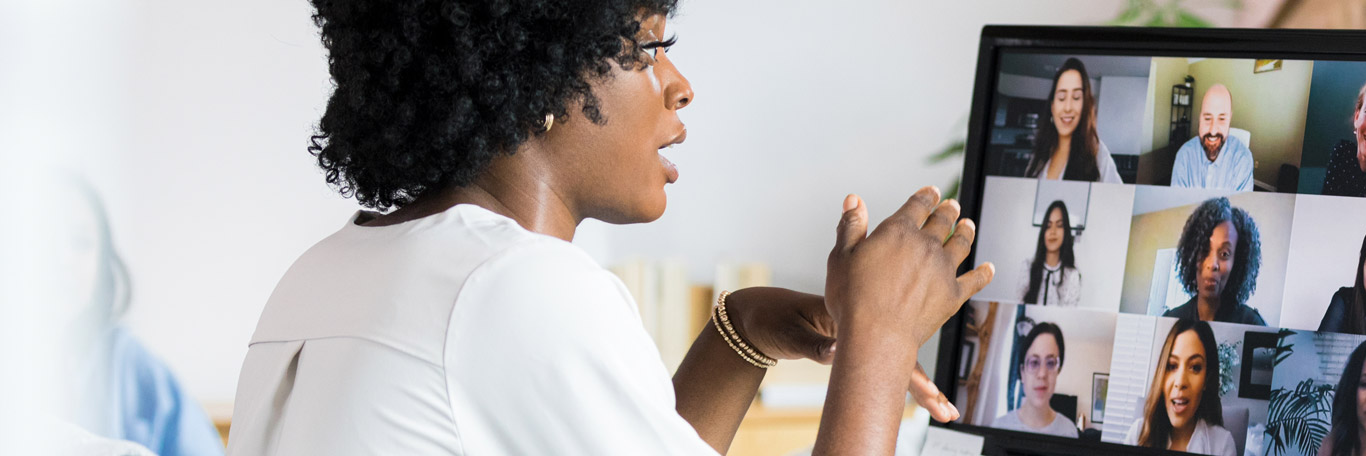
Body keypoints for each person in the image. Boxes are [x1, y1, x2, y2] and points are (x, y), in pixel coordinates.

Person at [228, 2, 994, 455]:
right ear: (540, 77)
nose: (679, 85)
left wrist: (744, 328)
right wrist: (884, 338)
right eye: (649, 48)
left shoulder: (334, 268)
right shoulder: (516, 288)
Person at [47, 180, 226, 456]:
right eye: (42, 236)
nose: (61, 258)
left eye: (80, 242)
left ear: (103, 263)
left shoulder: (131, 367)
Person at [1127, 319, 1237, 456]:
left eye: (1195, 368)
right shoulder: (1137, 434)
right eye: (1172, 366)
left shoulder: (1222, 445)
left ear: (1206, 380)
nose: (1180, 382)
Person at [1162, 198, 1268, 326]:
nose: (1212, 264)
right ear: (1192, 254)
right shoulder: (1170, 320)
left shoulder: (1252, 324)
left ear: (1237, 263)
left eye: (1224, 254)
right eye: (1204, 250)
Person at [1026, 58, 1123, 183]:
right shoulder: (1040, 153)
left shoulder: (1097, 154)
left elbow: (1117, 199)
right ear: (1052, 106)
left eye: (1076, 98)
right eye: (1061, 98)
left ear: (1085, 106)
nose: (1067, 108)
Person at [992, 323, 1079, 437]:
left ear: (1058, 371)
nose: (1042, 374)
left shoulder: (1069, 431)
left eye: (1050, 363)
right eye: (1034, 362)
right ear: (1022, 372)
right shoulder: (999, 427)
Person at [1170, 84, 1254, 191]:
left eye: (1222, 119)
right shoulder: (1184, 156)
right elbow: (1177, 204)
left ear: (1230, 119)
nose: (1213, 131)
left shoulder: (1243, 159)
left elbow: (1241, 206)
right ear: (1200, 118)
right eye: (1207, 118)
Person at [1022, 201, 1083, 307]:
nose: (1053, 231)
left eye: (1059, 225)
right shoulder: (1027, 267)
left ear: (1066, 232)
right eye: (1048, 226)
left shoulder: (1072, 276)